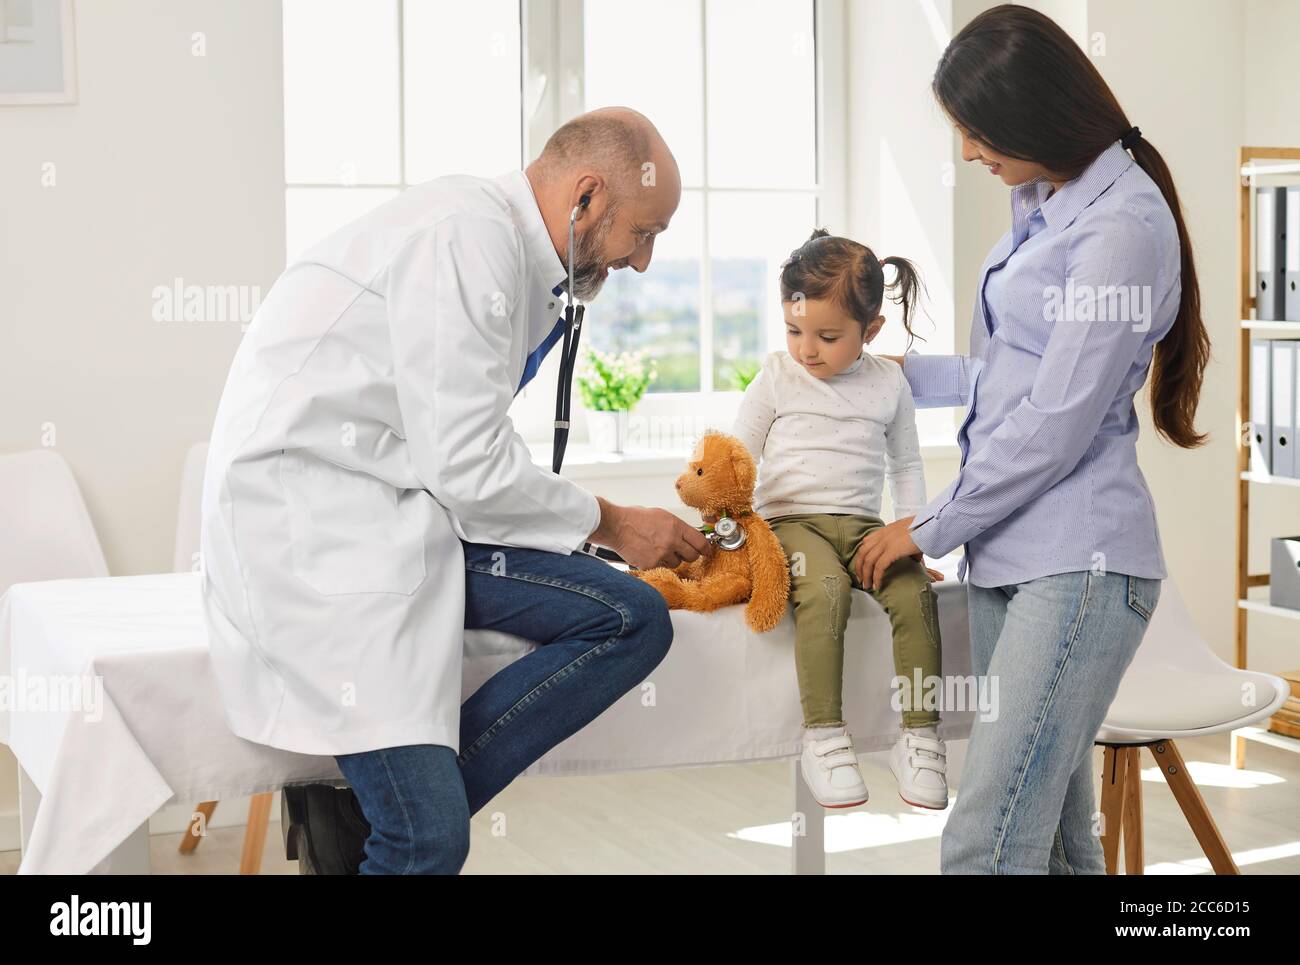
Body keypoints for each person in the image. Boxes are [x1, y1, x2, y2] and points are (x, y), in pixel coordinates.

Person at [199, 107, 712, 874]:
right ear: (588, 197)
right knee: (428, 839)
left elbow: (458, 453)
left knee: (632, 616)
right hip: (315, 530)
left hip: (403, 514)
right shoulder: (466, 238)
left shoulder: (513, 259)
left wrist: (597, 525)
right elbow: (466, 465)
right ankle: (398, 823)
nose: (642, 261)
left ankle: (363, 809)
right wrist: (613, 522)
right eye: (644, 232)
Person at [858, 5, 1211, 873]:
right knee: (1052, 837)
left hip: (1080, 564)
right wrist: (900, 376)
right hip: (1012, 556)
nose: (971, 153)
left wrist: (926, 525)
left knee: (985, 840)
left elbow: (1055, 425)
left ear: (1035, 114)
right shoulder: (1045, 200)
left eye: (979, 133)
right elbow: (1015, 376)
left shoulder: (1121, 226)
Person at [731, 229, 949, 812]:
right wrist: (726, 535)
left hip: (864, 528)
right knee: (825, 592)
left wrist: (914, 540)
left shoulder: (888, 382)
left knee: (912, 596)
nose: (808, 349)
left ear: (870, 331)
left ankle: (920, 737)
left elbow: (906, 464)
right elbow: (736, 457)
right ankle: (824, 735)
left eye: (828, 336)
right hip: (792, 525)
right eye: (794, 330)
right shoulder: (777, 376)